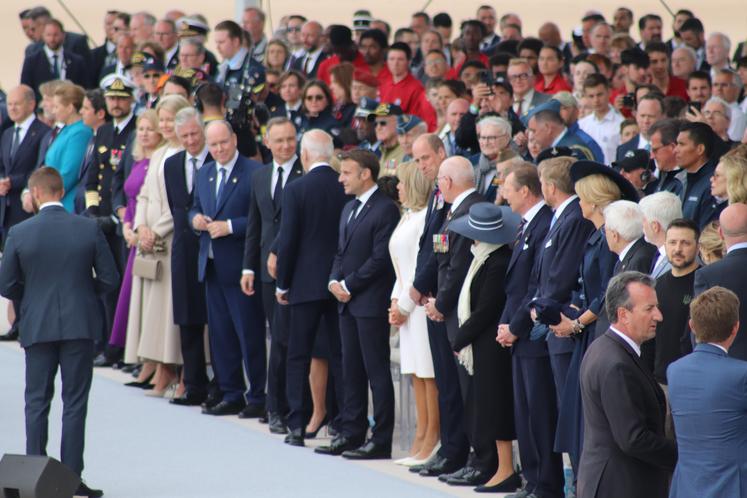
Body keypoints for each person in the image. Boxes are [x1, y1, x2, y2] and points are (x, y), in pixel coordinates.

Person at [0, 167, 119, 498]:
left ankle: (34, 476)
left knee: (37, 401)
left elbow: (6, 283)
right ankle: (70, 480)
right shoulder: (87, 228)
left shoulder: (20, 232)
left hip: (37, 324)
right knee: (75, 402)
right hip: (79, 324)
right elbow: (110, 279)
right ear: (61, 190)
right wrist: (83, 291)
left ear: (36, 193)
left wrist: (32, 298)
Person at [550, 160, 639, 473]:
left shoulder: (606, 239)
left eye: (582, 197)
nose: (579, 204)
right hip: (586, 331)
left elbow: (606, 292)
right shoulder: (595, 236)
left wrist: (576, 322)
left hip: (595, 332)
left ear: (595, 200)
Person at [316, 150, 399, 459]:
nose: (340, 179)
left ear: (366, 174)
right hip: (347, 303)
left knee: (376, 372)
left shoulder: (385, 209)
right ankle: (351, 433)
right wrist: (333, 282)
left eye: (346, 173)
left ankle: (380, 440)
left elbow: (380, 259)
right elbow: (340, 251)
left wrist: (349, 284)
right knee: (350, 369)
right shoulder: (348, 207)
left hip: (370, 303)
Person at [275, 129, 349, 447]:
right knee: (340, 354)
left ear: (304, 155)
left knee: (298, 354)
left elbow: (288, 241)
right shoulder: (345, 185)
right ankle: (343, 424)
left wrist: (282, 283)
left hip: (304, 285)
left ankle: (296, 424)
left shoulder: (296, 189)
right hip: (340, 284)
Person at [577, 271, 677, 498]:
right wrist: (686, 454)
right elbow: (633, 439)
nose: (659, 316)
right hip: (621, 485)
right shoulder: (616, 364)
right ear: (624, 314)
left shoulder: (603, 347)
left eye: (657, 307)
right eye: (649, 309)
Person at [190, 120, 266, 415]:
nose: (219, 149)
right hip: (210, 266)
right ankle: (231, 392)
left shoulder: (254, 172)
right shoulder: (205, 172)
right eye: (213, 145)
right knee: (221, 335)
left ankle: (258, 397)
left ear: (234, 140)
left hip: (241, 267)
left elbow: (264, 220)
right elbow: (195, 206)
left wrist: (231, 226)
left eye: (223, 142)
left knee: (249, 334)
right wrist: (195, 220)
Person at [497, 162, 561, 498]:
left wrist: (516, 326)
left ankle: (547, 484)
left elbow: (535, 286)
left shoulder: (544, 224)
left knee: (539, 412)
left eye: (507, 187)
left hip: (533, 333)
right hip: (518, 330)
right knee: (525, 412)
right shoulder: (527, 225)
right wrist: (506, 324)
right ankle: (533, 480)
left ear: (525, 190)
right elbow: (515, 285)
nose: (503, 193)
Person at [408, 135, 470, 478]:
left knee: (452, 383)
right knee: (444, 382)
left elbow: (446, 256)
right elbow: (428, 246)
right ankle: (448, 448)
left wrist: (422, 289)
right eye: (416, 161)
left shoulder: (454, 197)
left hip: (444, 302)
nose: (422, 166)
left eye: (426, 158)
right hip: (433, 298)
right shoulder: (437, 196)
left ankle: (455, 450)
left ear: (442, 154)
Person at [447, 202, 521, 492]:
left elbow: (486, 309)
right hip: (481, 344)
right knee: (484, 407)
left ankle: (504, 470)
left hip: (491, 346)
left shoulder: (498, 261)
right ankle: (493, 467)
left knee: (495, 408)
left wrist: (460, 337)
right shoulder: (482, 257)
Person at [422, 156, 484, 482]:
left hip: (458, 314)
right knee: (450, 387)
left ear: (446, 182)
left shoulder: (470, 209)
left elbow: (459, 267)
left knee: (464, 391)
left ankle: (466, 454)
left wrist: (441, 304)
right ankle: (453, 451)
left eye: (439, 182)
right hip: (447, 311)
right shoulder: (454, 209)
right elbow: (441, 257)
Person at [124, 95, 190, 397]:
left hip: (171, 241)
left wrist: (158, 231)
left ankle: (171, 371)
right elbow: (145, 196)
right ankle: (155, 366)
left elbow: (180, 203)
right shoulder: (160, 152)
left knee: (169, 311)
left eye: (169, 119)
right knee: (152, 309)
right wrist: (141, 228)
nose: (164, 125)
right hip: (150, 241)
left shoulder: (184, 154)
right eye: (160, 119)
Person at [241, 117, 304, 431]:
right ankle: (274, 407)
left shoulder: (304, 173)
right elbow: (255, 225)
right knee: (276, 338)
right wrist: (248, 266)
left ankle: (290, 408)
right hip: (266, 272)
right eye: (279, 140)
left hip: (298, 268)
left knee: (290, 340)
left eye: (290, 139)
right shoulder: (259, 175)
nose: (285, 146)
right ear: (267, 142)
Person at [667, 286, 747, 498]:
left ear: (692, 326)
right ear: (735, 328)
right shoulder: (741, 374)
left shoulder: (674, 371)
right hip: (733, 487)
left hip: (686, 487)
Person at [107, 110, 162, 386]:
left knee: (142, 300)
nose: (143, 133)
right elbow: (127, 194)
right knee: (133, 299)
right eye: (140, 129)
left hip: (147, 236)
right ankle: (141, 359)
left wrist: (136, 229)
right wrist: (126, 224)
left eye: (149, 129)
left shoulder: (160, 161)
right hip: (132, 231)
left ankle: (151, 363)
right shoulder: (136, 158)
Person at [388, 161, 438, 465]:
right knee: (414, 374)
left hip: (420, 308)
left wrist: (405, 306)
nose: (397, 188)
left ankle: (432, 437)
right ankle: (421, 434)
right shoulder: (408, 216)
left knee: (428, 373)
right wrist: (395, 302)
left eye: (402, 182)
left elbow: (422, 269)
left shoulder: (423, 220)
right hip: (406, 306)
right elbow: (400, 267)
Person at [163, 107, 211, 407]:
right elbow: (175, 207)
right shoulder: (172, 164)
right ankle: (193, 384)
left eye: (195, 134)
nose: (191, 140)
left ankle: (222, 385)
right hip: (183, 248)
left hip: (212, 247)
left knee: (216, 318)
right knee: (187, 318)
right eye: (185, 136)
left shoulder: (215, 157)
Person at [694, 203, 747, 361]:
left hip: (728, 366)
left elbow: (702, 328)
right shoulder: (707, 274)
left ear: (721, 233)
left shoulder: (708, 275)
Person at [653, 218, 699, 396]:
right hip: (660, 382)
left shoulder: (704, 284)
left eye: (685, 243)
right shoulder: (657, 285)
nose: (678, 249)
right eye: (672, 242)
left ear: (697, 246)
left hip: (692, 383)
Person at [44, 82, 92, 213]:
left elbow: (69, 173)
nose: (53, 111)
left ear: (70, 107)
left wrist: (47, 197)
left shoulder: (81, 132)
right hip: (54, 199)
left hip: (66, 204)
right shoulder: (66, 130)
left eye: (57, 106)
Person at [20, 19, 88, 98]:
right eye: (48, 35)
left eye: (56, 35)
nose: (52, 39)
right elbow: (26, 89)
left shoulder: (77, 61)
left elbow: (84, 88)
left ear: (63, 35)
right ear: (43, 36)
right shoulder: (31, 61)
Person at [674, 122, 719, 228]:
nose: (675, 150)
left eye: (681, 144)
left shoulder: (713, 183)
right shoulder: (679, 180)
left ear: (700, 149)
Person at [578, 74, 624, 164]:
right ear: (585, 97)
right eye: (591, 96)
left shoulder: (620, 123)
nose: (596, 100)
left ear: (609, 92)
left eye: (599, 94)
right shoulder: (581, 125)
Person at [639, 192, 684, 279]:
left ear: (655, 226)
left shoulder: (677, 261)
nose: (642, 224)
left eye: (644, 220)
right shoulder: (662, 254)